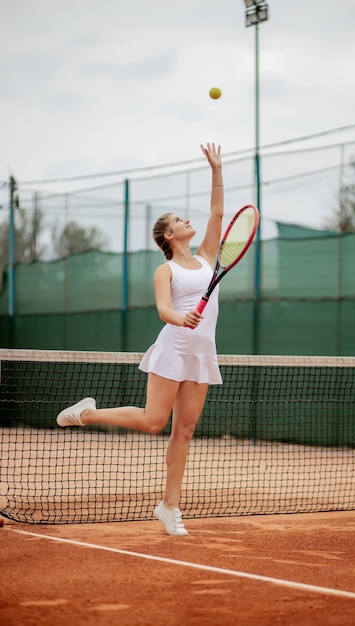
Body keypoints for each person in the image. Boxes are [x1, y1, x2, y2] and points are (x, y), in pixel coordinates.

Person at [57, 142, 224, 536]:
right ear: (168, 234)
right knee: (154, 422)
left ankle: (170, 507)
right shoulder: (164, 269)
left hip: (202, 353)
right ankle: (88, 413)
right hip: (173, 348)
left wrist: (217, 169)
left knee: (183, 431)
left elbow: (217, 211)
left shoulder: (205, 257)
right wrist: (181, 318)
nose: (188, 221)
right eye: (179, 220)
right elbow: (164, 310)